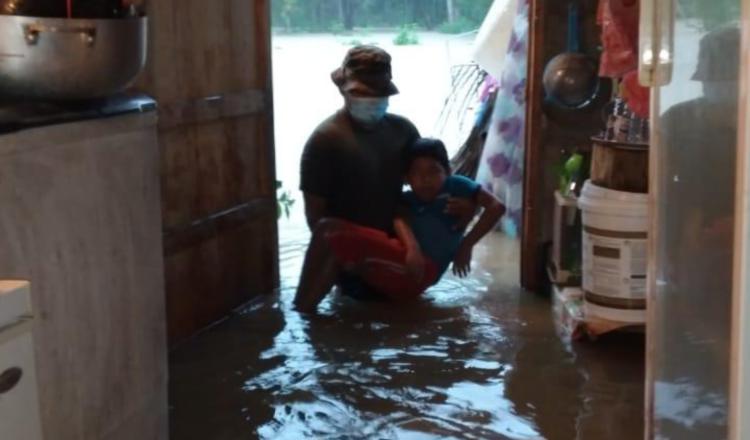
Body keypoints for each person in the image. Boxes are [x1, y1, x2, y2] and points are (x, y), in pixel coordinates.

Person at [294, 46, 475, 312]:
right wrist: (346, 261)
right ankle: (301, 322)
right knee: (327, 233)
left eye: (379, 95)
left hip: (403, 254)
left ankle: (300, 320)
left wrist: (467, 210)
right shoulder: (325, 140)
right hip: (349, 261)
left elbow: (431, 186)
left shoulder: (403, 131)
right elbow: (315, 218)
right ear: (343, 90)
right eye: (361, 94)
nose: (371, 100)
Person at [324, 138, 505, 300]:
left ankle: (307, 314)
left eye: (433, 171)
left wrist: (466, 245)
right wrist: (413, 247)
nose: (425, 179)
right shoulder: (408, 200)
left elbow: (496, 207)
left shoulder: (456, 186)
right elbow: (399, 218)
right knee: (343, 259)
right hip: (413, 264)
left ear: (448, 171)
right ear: (406, 178)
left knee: (332, 234)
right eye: (416, 172)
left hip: (423, 269)